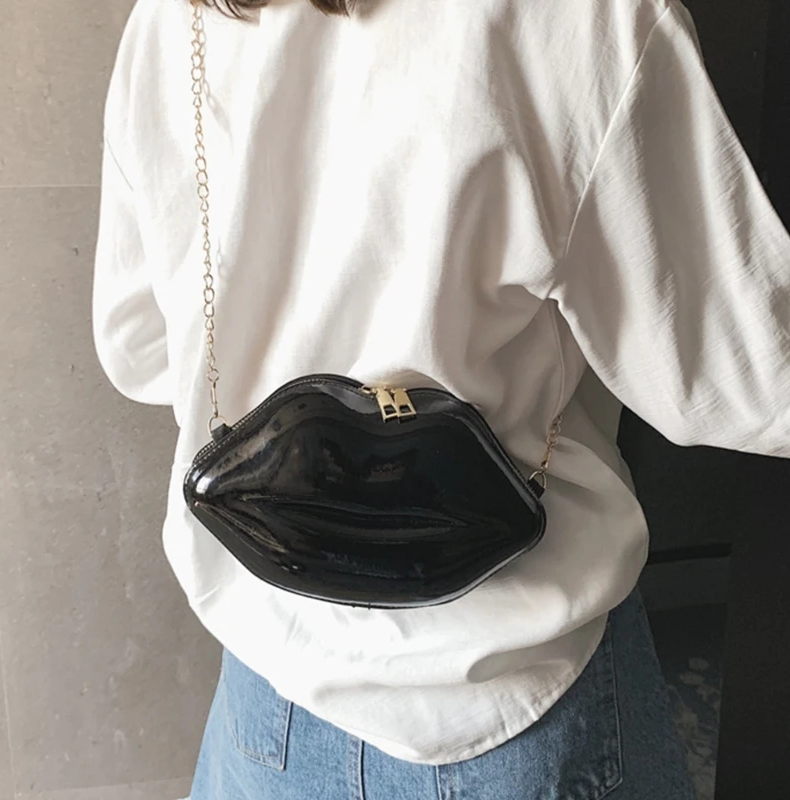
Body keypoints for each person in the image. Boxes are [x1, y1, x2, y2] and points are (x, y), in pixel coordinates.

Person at [92, 0, 790, 797]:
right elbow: (746, 375)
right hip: (515, 696)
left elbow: (137, 349)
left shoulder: (173, 20)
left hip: (270, 698)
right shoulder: (585, 19)